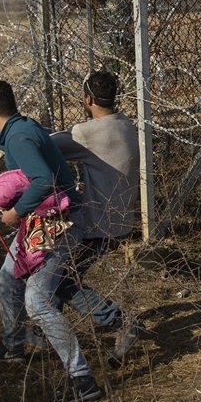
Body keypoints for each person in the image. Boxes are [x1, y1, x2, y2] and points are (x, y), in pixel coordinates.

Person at [0, 80, 103, 402]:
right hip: (42, 221)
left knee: (37, 301)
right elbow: (13, 141)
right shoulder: (19, 128)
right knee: (5, 281)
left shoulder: (19, 135)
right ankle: (12, 346)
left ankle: (82, 380)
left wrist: (15, 211)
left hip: (56, 224)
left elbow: (43, 179)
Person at [51, 70, 145, 365]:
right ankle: (46, 330)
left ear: (88, 98)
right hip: (120, 220)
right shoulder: (127, 124)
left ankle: (121, 322)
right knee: (58, 272)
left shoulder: (87, 133)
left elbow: (42, 145)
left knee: (60, 280)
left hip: (97, 225)